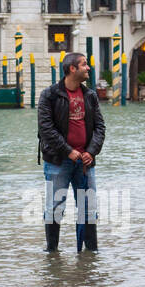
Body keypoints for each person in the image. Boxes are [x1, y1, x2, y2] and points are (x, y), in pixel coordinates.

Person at [37, 52, 105, 252]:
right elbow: (46, 129)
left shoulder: (90, 95)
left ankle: (90, 255)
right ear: (72, 69)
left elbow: (100, 127)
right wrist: (68, 151)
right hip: (58, 161)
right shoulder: (49, 95)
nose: (88, 68)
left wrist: (91, 152)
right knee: (55, 207)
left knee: (88, 209)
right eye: (84, 64)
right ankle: (52, 253)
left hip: (86, 162)